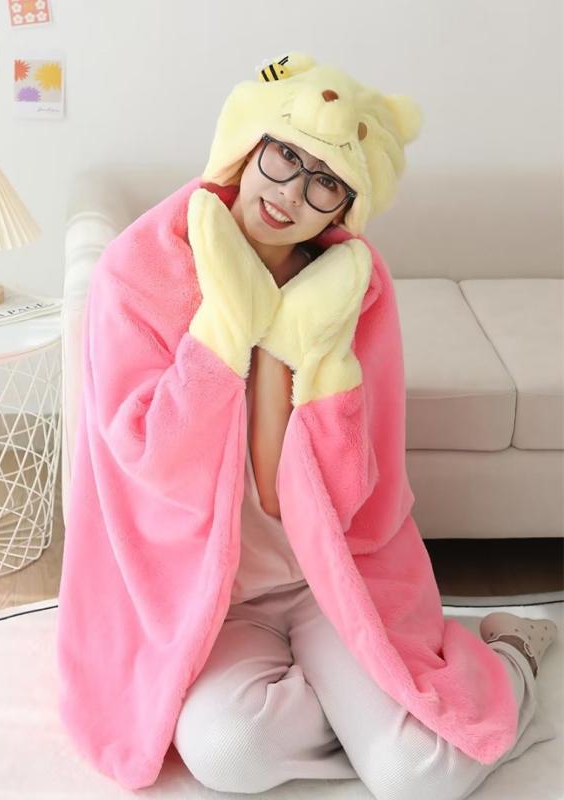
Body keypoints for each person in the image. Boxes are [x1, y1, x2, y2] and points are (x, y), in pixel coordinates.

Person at [170, 57, 559, 798]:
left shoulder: (352, 290)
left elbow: (344, 493)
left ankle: (513, 654)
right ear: (248, 145)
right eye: (285, 155)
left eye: (326, 180)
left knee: (419, 777)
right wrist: (227, 325)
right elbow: (151, 467)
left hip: (332, 579)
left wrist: (289, 347)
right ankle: (376, 718)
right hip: (218, 597)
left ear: (343, 208)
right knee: (228, 753)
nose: (291, 193)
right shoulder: (152, 269)